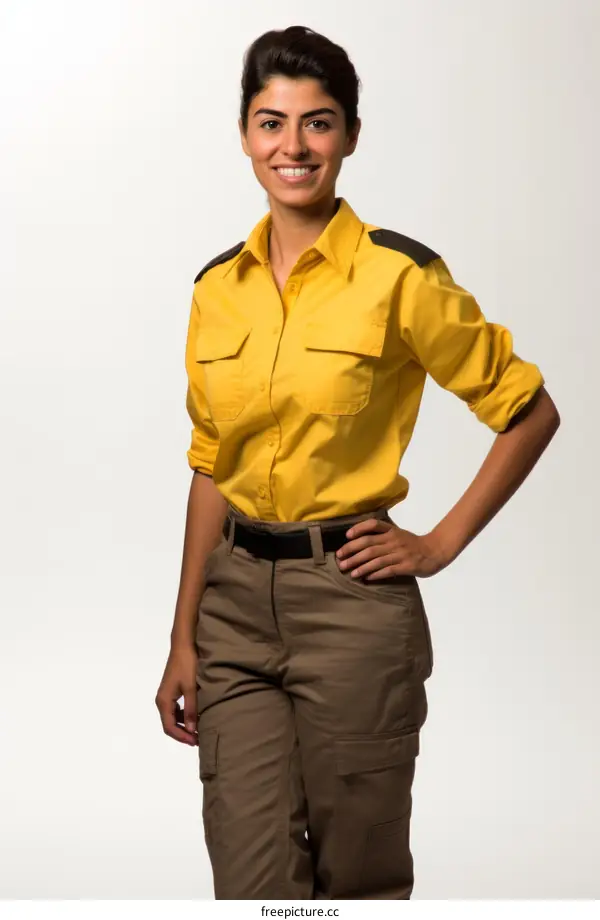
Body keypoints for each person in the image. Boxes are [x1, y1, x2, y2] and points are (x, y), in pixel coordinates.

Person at [155, 25, 560, 900]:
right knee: (252, 881)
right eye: (271, 123)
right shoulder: (214, 289)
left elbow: (528, 411)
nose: (292, 146)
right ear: (244, 134)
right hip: (232, 616)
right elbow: (209, 468)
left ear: (350, 135)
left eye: (318, 123)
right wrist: (183, 635)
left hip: (351, 606)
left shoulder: (399, 276)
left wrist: (439, 543)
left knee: (358, 881)